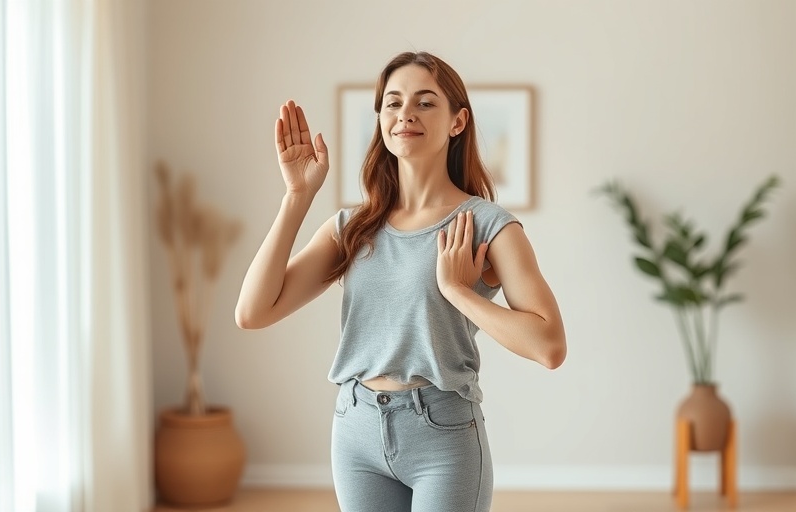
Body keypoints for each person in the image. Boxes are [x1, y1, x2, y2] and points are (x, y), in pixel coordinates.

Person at [235, 51, 566, 512]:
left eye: (425, 102)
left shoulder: (487, 225)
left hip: (443, 435)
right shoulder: (352, 226)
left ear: (457, 121)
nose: (405, 114)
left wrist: (458, 292)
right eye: (393, 103)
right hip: (356, 430)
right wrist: (297, 196)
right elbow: (252, 312)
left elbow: (549, 346)